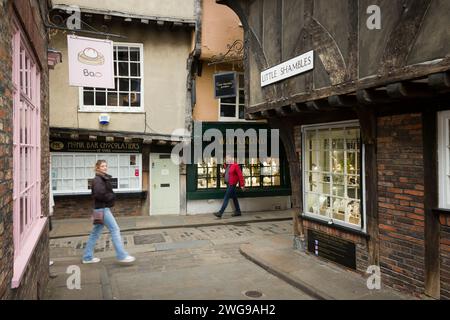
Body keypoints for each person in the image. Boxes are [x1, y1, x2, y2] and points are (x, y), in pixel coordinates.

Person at [82, 160, 136, 264]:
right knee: (115, 229)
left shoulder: (101, 178)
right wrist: (112, 196)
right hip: (102, 209)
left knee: (95, 233)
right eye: (102, 166)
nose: (105, 168)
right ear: (97, 168)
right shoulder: (98, 179)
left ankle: (87, 257)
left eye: (106, 166)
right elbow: (99, 194)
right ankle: (122, 255)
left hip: (98, 209)